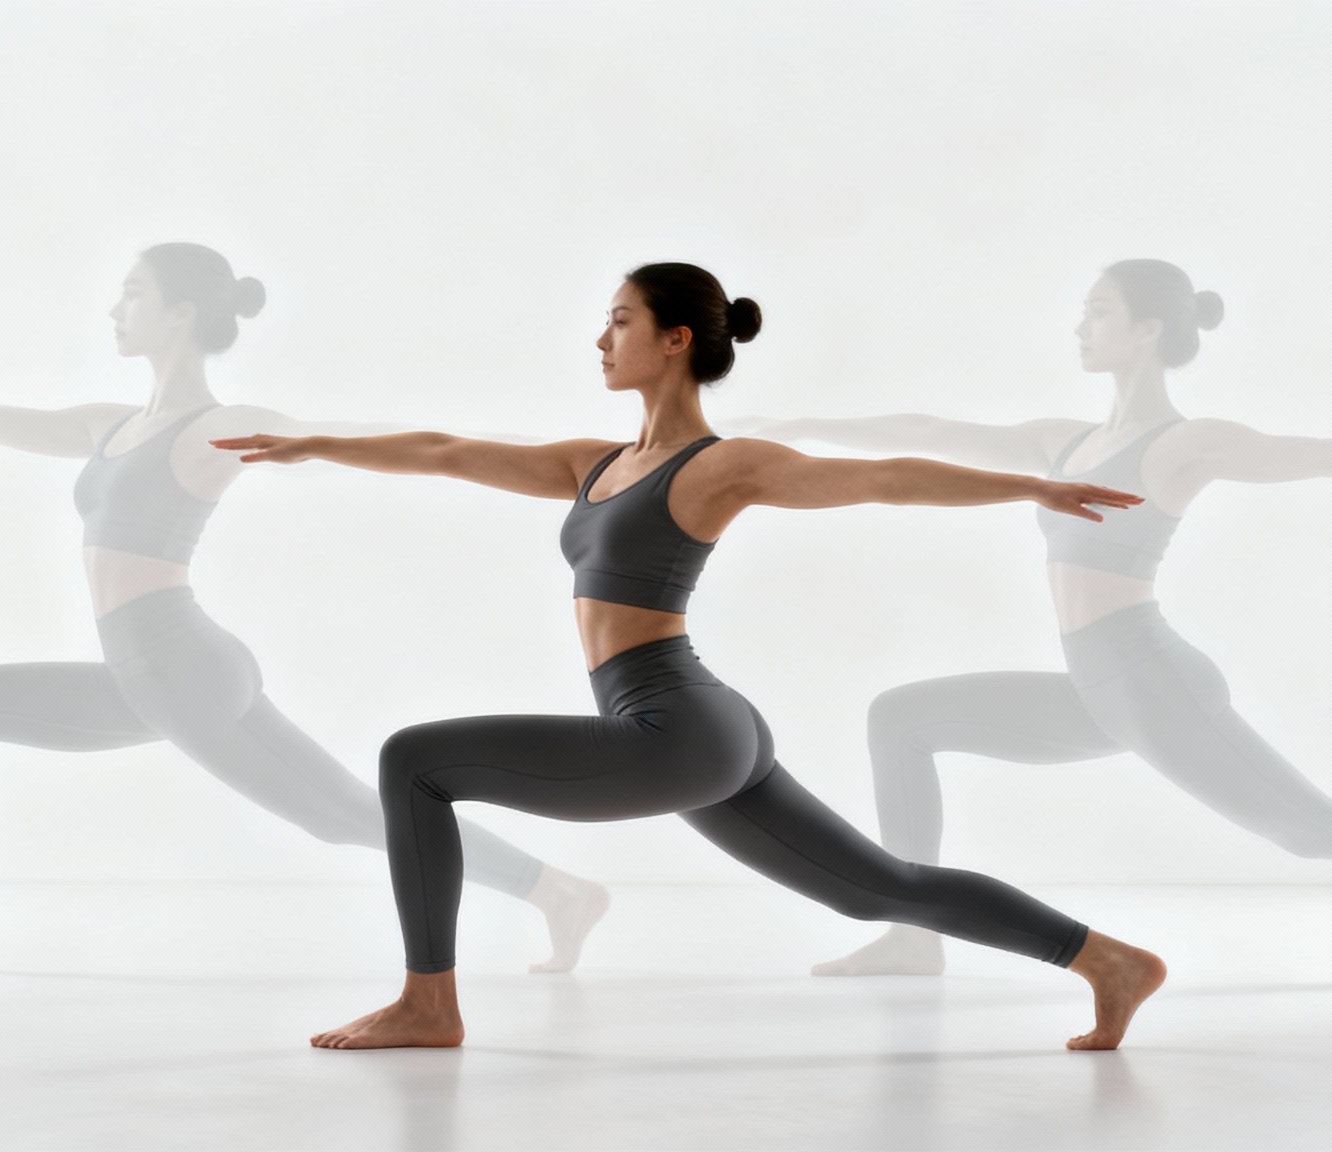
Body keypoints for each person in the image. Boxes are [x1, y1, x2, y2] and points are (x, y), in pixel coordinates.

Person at [214, 262, 1167, 1051]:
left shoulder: (718, 466)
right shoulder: (591, 464)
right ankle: (1108, 961)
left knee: (413, 761)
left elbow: (877, 478)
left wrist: (1032, 488)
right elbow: (448, 450)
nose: (600, 340)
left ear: (675, 340)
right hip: (697, 726)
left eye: (620, 321)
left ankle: (429, 1004)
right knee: (876, 888)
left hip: (678, 728)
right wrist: (314, 446)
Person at [0, 243, 607, 974]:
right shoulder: (112, 425)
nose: (114, 306)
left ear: (181, 312)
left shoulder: (213, 427)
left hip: (180, 665)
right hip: (150, 672)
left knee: (340, 815)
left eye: (132, 291)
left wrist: (600, 460)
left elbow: (383, 439)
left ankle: (557, 891)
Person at [738, 259, 1332, 982]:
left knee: (1310, 830)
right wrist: (792, 431)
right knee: (903, 716)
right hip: (1097, 688)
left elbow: (1328, 451)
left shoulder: (1184, 444)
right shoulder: (1066, 442)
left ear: (1146, 329)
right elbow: (927, 431)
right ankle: (914, 935)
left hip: (1153, 680)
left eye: (1097, 311)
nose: (1079, 326)